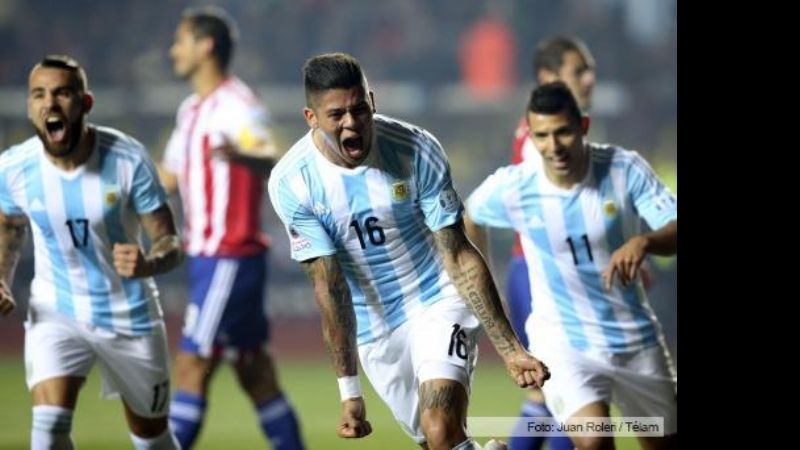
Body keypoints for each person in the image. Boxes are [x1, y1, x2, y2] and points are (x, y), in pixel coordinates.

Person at [268, 52, 549, 450]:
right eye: (337, 115)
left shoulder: (415, 148)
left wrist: (510, 350)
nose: (352, 123)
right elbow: (331, 289)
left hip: (436, 297)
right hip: (376, 329)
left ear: (372, 100)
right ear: (311, 118)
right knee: (439, 444)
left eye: (359, 109)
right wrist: (350, 393)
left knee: (440, 428)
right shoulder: (293, 183)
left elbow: (458, 254)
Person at [466, 82, 677, 450]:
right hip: (563, 341)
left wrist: (645, 241)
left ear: (583, 126)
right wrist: (484, 279)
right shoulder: (517, 186)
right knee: (593, 441)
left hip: (633, 340)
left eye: (562, 132)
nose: (554, 145)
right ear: (532, 135)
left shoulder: (623, 169)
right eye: (542, 135)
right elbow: (470, 216)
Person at [0, 55, 183, 450]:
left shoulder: (128, 159)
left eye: (63, 93)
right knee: (47, 430)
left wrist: (149, 261)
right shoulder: (14, 168)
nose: (50, 103)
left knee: (151, 438)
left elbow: (170, 241)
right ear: (30, 105)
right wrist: (1, 277)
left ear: (85, 104)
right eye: (39, 94)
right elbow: (10, 224)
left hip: (128, 315)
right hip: (56, 310)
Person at [158, 6, 303, 450]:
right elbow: (167, 176)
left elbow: (272, 159)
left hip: (229, 254)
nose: (173, 50)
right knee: (256, 374)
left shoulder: (239, 105)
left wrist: (244, 157)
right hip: (207, 258)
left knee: (190, 367)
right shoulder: (191, 109)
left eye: (181, 41)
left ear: (206, 46)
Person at [505, 36, 596, 450]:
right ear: (547, 77)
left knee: (546, 399)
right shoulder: (538, 140)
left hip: (535, 271)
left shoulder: (541, 132)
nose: (589, 79)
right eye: (578, 70)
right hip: (544, 275)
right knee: (572, 395)